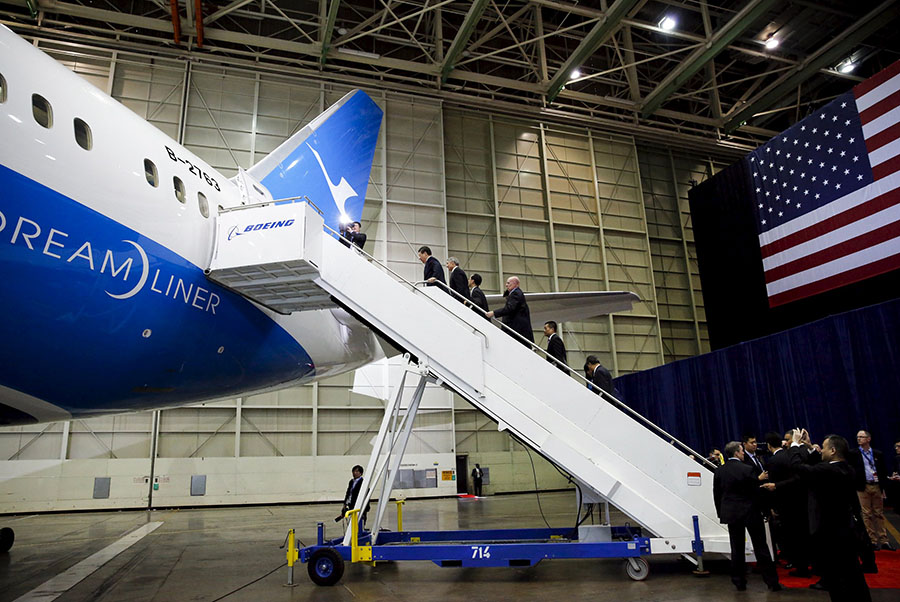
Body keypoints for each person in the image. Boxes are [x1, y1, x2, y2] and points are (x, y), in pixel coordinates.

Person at [788, 430, 872, 601]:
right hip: (846, 531)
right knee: (853, 574)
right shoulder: (846, 469)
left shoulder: (828, 470)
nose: (822, 451)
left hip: (830, 533)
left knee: (836, 579)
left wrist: (795, 445)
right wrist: (809, 446)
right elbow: (818, 466)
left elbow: (799, 467)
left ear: (833, 450)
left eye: (824, 448)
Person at [713, 441, 780, 592]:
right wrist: (765, 510)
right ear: (736, 453)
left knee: (736, 548)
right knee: (761, 547)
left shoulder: (720, 471)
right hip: (751, 512)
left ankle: (739, 582)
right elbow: (755, 492)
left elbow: (717, 494)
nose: (744, 453)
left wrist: (721, 513)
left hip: (731, 514)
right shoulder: (748, 469)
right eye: (742, 451)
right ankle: (772, 582)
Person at [761, 431, 812, 577]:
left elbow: (774, 486)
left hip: (785, 504)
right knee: (802, 534)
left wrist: (773, 505)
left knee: (792, 536)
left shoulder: (773, 461)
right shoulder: (791, 455)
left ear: (769, 445)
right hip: (801, 501)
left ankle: (800, 566)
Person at [851, 430, 894, 550]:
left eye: (861, 437)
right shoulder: (854, 454)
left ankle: (884, 540)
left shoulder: (877, 454)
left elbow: (882, 471)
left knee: (879, 513)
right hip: (862, 486)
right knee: (867, 514)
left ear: (868, 439)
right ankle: (872, 540)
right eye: (857, 437)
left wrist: (883, 487)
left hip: (876, 485)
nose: (859, 439)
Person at [486, 276, 533, 345]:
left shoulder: (516, 294)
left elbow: (509, 308)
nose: (506, 285)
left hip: (517, 329)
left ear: (516, 284)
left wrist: (494, 313)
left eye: (508, 283)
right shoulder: (516, 293)